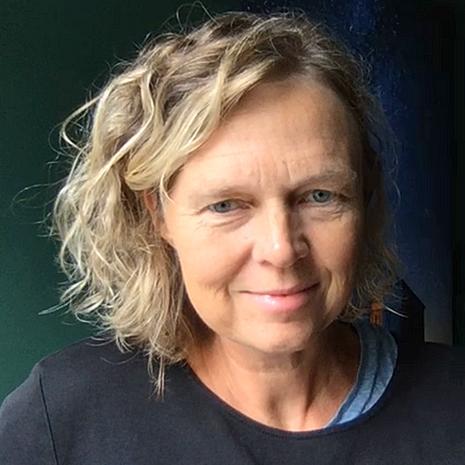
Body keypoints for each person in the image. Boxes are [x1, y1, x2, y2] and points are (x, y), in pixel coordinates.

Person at [0, 10, 464, 465]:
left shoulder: (453, 406)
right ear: (158, 214)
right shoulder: (62, 420)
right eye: (226, 205)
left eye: (319, 196)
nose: (281, 250)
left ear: (364, 198)